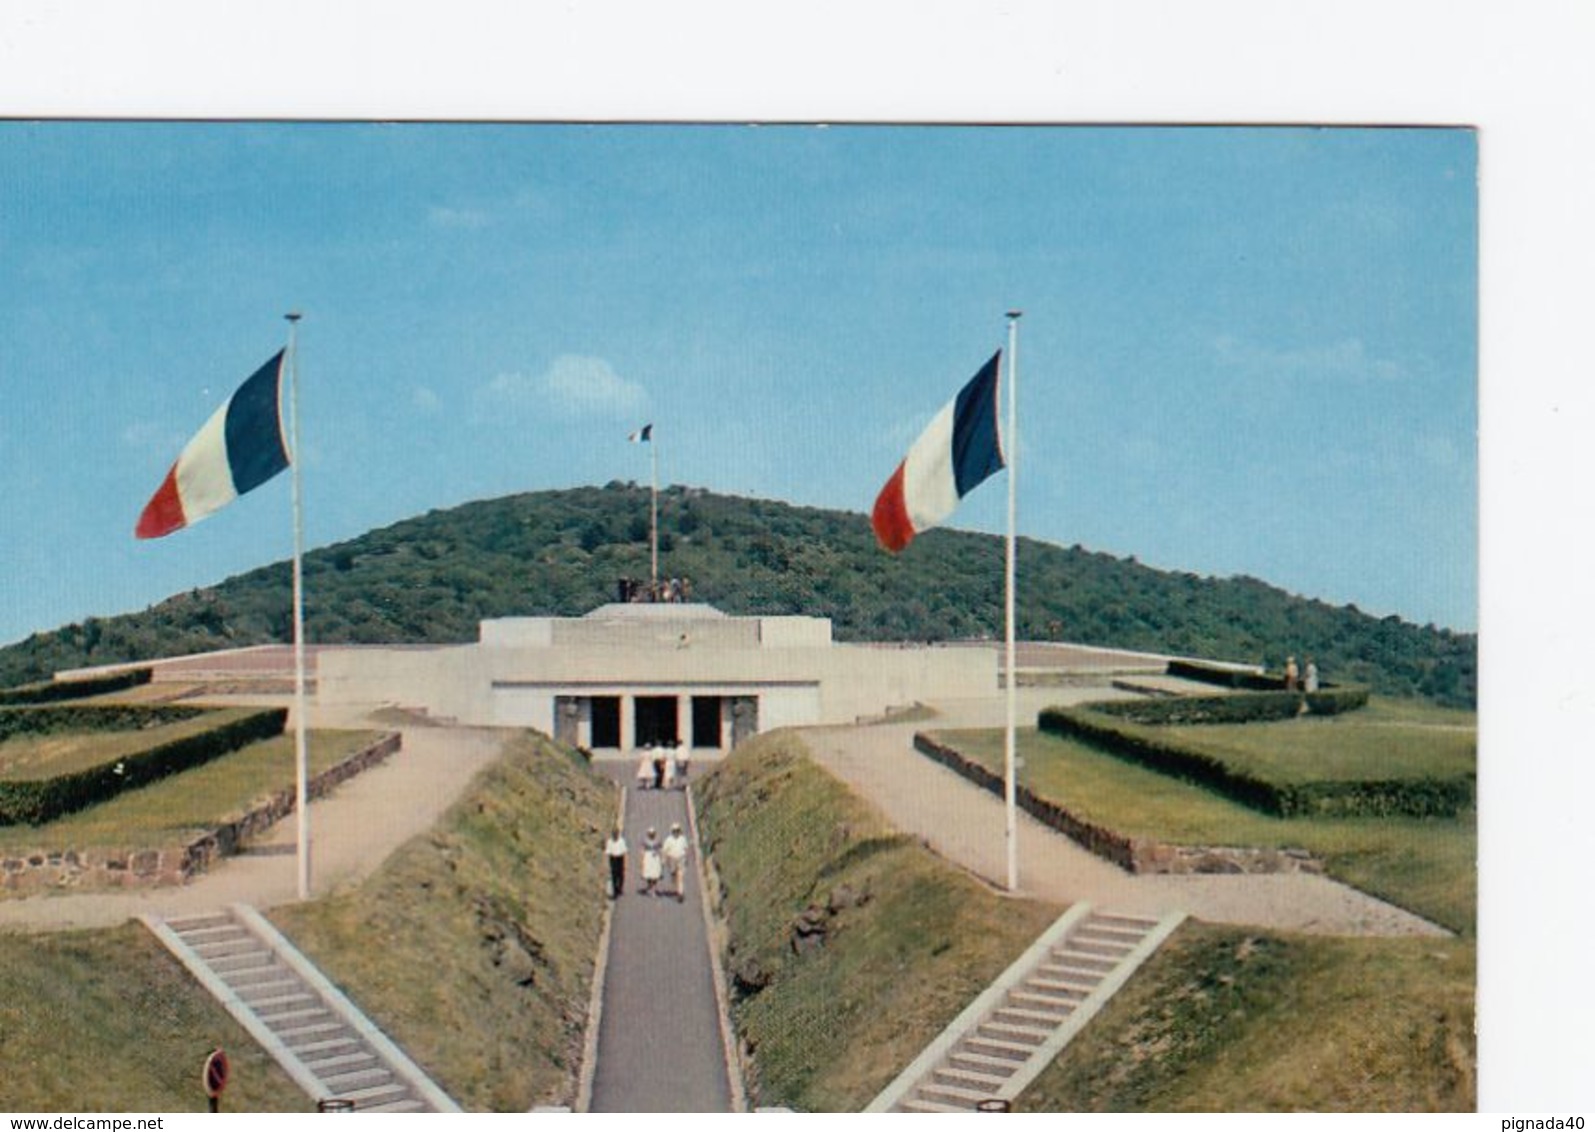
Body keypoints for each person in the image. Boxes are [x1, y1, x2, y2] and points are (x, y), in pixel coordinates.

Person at [661, 822, 689, 902]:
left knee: (680, 876)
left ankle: (680, 893)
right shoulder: (669, 840)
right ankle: (677, 886)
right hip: (672, 859)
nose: (676, 832)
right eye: (675, 830)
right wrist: (664, 859)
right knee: (674, 875)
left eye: (677, 830)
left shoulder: (682, 839)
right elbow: (664, 850)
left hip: (681, 858)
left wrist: (686, 858)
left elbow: (686, 849)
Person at [604, 826, 628, 898]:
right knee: (614, 875)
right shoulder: (609, 841)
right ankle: (615, 891)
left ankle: (619, 888)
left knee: (620, 875)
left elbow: (624, 852)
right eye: (614, 834)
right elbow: (607, 852)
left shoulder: (621, 841)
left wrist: (625, 863)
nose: (615, 835)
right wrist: (606, 863)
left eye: (616, 833)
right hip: (613, 859)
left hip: (619, 858)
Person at [640, 827, 663, 896]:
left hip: (655, 857)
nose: (651, 835)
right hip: (648, 857)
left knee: (655, 873)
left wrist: (661, 857)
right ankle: (650, 885)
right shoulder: (645, 841)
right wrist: (642, 859)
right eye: (650, 833)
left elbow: (661, 848)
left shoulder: (658, 841)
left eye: (652, 833)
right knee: (649, 873)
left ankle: (654, 888)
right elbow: (642, 850)